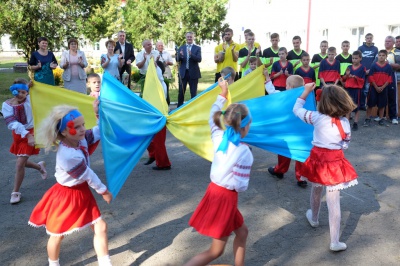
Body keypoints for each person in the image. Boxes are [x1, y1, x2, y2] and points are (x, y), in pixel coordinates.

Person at [28, 104, 113, 266]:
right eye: (77, 127)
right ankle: (53, 264)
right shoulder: (68, 155)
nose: (82, 129)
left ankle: (105, 262)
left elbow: (97, 131)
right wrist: (103, 191)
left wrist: (99, 113)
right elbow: (88, 175)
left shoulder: (78, 140)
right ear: (64, 132)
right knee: (57, 234)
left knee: (100, 226)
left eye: (83, 125)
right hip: (66, 197)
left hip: (81, 192)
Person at [184, 77, 253, 266]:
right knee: (216, 251)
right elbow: (240, 185)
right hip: (226, 198)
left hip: (215, 192)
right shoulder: (244, 151)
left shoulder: (219, 136)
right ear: (246, 126)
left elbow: (212, 116)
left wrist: (222, 95)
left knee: (242, 232)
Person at [294, 83, 358, 252]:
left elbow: (297, 109)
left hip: (317, 160)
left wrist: (306, 91)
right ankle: (335, 241)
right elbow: (345, 145)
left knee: (316, 189)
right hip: (335, 163)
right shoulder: (344, 123)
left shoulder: (315, 117)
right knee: (333, 201)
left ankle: (314, 218)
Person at [2, 78, 47, 204]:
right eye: (18, 92)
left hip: (31, 133)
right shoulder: (6, 105)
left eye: (24, 92)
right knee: (22, 162)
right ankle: (40, 166)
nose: (21, 94)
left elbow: (38, 94)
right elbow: (11, 123)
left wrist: (30, 87)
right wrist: (26, 135)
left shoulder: (29, 100)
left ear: (27, 92)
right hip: (18, 135)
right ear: (13, 91)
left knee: (19, 164)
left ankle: (15, 192)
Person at [268, 75, 307, 187]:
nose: (285, 87)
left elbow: (272, 92)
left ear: (290, 86)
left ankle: (280, 171)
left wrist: (267, 78)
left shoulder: (284, 96)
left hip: (286, 132)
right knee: (300, 154)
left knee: (284, 152)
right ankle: (301, 178)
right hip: (300, 133)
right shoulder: (306, 97)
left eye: (286, 85)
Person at [143, 60, 172, 171]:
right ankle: (154, 154)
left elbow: (158, 76)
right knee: (147, 137)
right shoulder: (157, 84)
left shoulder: (160, 84)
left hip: (159, 116)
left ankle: (163, 163)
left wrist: (155, 67)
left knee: (158, 141)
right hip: (156, 115)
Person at [364, 50, 393, 127]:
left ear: (386, 57)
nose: (381, 57)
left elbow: (389, 78)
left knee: (382, 104)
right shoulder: (374, 65)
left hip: (384, 88)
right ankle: (367, 118)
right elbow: (370, 77)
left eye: (383, 55)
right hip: (373, 87)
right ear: (378, 56)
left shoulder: (388, 67)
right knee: (370, 104)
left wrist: (382, 87)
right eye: (380, 55)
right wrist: (376, 86)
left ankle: (381, 119)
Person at [342, 50, 366, 131]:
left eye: (356, 58)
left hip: (357, 89)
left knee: (356, 106)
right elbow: (344, 78)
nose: (354, 60)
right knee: (348, 105)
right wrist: (347, 75)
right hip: (348, 88)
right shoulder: (349, 67)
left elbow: (363, 80)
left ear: (360, 58)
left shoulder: (362, 68)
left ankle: (355, 122)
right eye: (353, 58)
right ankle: (347, 122)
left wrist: (355, 77)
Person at [176, 32, 202, 107]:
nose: (189, 38)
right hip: (183, 73)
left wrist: (191, 55)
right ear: (186, 38)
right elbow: (178, 60)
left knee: (193, 92)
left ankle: (193, 108)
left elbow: (199, 59)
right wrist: (179, 56)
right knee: (181, 92)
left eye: (191, 37)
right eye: (188, 37)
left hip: (193, 73)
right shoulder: (181, 47)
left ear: (193, 38)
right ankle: (179, 108)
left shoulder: (197, 48)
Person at [358, 33, 378, 110]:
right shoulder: (360, 48)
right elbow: (358, 59)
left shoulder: (375, 49)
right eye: (368, 38)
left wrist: (370, 70)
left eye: (370, 38)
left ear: (372, 39)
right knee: (361, 89)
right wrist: (362, 69)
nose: (369, 39)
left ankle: (368, 105)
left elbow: (376, 60)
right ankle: (360, 105)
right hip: (362, 72)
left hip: (371, 72)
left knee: (367, 90)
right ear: (365, 39)